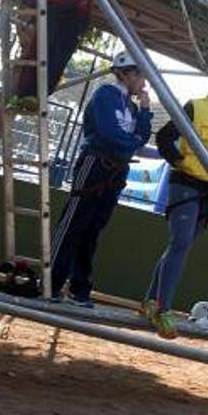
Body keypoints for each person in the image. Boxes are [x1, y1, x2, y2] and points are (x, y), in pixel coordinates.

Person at [143, 66, 208, 338]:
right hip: (186, 183)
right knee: (180, 241)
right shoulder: (196, 107)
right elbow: (165, 136)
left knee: (181, 245)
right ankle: (163, 310)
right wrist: (180, 161)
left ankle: (150, 301)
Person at [46, 51, 151, 305]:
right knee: (74, 223)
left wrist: (146, 112)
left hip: (117, 170)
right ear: (126, 74)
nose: (144, 82)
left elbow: (141, 137)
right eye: (140, 75)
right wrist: (133, 142)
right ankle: (51, 282)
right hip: (96, 164)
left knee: (93, 228)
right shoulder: (105, 94)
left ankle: (79, 288)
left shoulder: (133, 105)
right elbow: (110, 134)